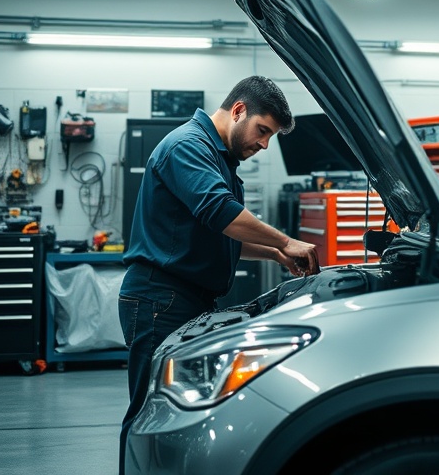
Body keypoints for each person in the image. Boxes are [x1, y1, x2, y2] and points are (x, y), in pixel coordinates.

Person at [117, 76, 319, 474]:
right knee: (149, 414)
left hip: (183, 299)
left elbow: (223, 235)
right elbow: (219, 212)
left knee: (178, 414)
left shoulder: (217, 157)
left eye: (271, 137)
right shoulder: (188, 145)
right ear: (239, 110)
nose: (264, 145)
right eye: (263, 131)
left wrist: (277, 254)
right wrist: (288, 241)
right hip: (160, 299)